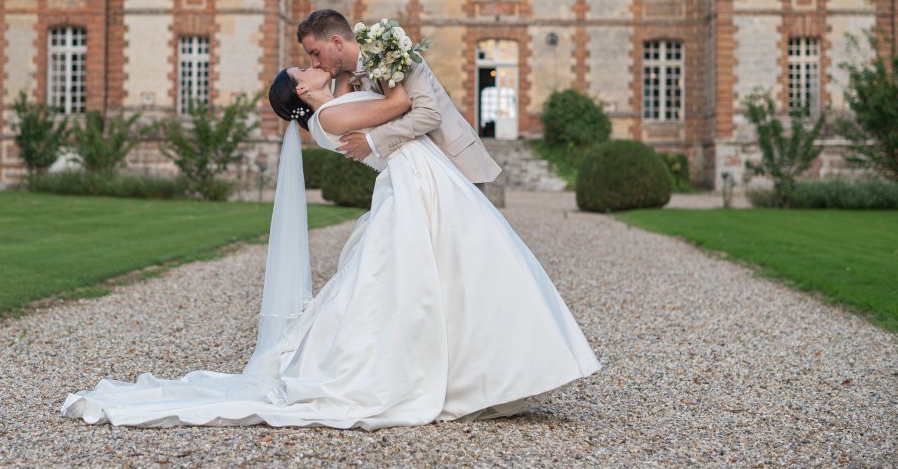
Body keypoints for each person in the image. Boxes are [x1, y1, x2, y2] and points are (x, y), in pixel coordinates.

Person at [60, 54, 601, 430]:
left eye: (314, 59)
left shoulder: (332, 106)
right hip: (413, 186)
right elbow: (399, 109)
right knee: (416, 285)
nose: (316, 66)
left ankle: (476, 374)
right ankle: (448, 376)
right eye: (308, 67)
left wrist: (391, 63)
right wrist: (399, 60)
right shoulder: (330, 115)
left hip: (419, 182)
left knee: (445, 277)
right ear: (302, 89)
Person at [296, 10, 502, 188]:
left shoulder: (392, 52)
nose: (314, 63)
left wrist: (371, 142)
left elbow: (429, 115)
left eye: (315, 53)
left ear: (336, 42)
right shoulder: (348, 78)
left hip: (453, 160)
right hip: (413, 173)